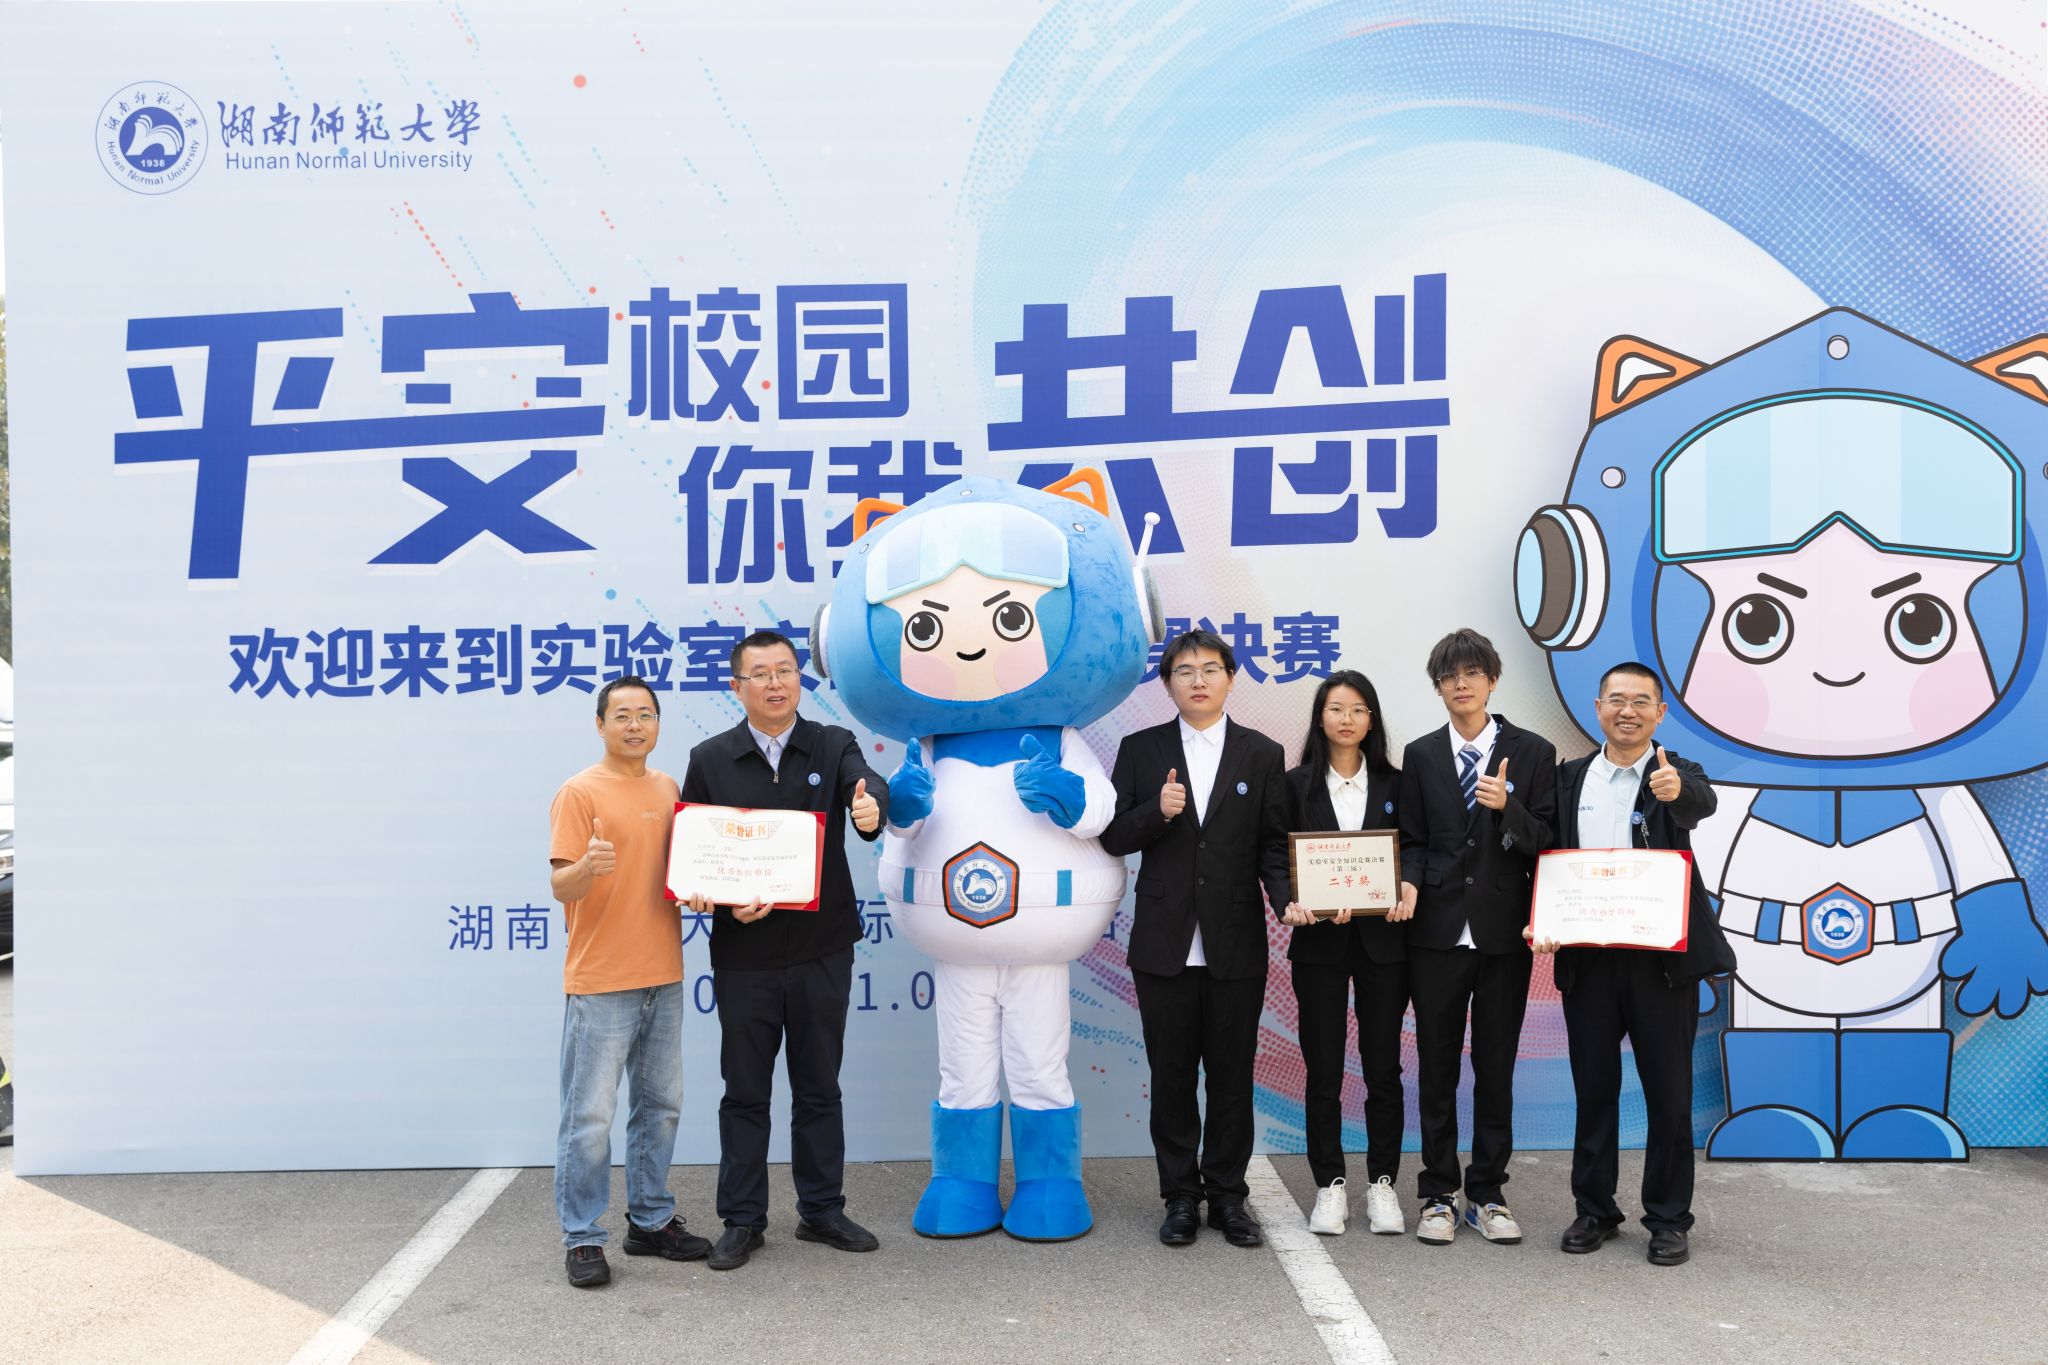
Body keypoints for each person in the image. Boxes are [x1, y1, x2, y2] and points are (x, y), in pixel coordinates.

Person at [677, 629, 888, 1271]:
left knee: (819, 1084)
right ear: (736, 686)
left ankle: (821, 1210)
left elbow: (865, 784)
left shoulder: (832, 743)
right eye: (761, 674)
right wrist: (718, 899)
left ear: (800, 679)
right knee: (744, 1090)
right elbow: (695, 854)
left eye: (786, 671)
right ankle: (742, 1219)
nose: (776, 683)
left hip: (822, 948)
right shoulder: (710, 758)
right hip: (745, 954)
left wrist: (871, 808)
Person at [1526, 661, 1736, 1267]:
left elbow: (1700, 803)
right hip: (1588, 959)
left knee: (1669, 1095)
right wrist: (1542, 918)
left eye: (1641, 701)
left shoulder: (1676, 771)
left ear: (1660, 713)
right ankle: (1594, 1210)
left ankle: (1668, 1220)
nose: (1628, 710)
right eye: (1616, 699)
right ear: (1598, 708)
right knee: (1594, 1090)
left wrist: (1677, 791)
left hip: (1659, 962)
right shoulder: (1568, 778)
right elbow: (1545, 853)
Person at [1102, 629, 1293, 1249]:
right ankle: (1180, 1196)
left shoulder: (1261, 753)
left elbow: (1273, 844)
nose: (1198, 680)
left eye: (1211, 669)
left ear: (1231, 678)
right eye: (1184, 671)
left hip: (1236, 939)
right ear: (1168, 684)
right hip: (1164, 942)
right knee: (1173, 1076)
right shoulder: (1141, 749)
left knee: (1232, 1075)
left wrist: (1287, 899)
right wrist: (1156, 812)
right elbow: (1113, 836)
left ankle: (1229, 1197)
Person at [548, 674, 712, 1288]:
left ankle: (650, 1220)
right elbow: (559, 884)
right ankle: (583, 1237)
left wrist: (702, 892)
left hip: (663, 976)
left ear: (658, 724)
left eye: (645, 714)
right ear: (600, 725)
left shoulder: (668, 788)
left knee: (660, 1108)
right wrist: (587, 867)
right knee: (589, 1117)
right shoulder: (578, 792)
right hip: (601, 980)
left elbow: (682, 873)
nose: (635, 725)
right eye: (622, 715)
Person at [1395, 627, 1556, 1246]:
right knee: (1436, 1067)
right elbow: (1413, 839)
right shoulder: (1420, 754)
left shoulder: (1533, 752)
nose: (1460, 684)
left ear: (1492, 680)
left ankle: (1488, 1193)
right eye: (1449, 676)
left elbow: (1547, 841)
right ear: (1438, 687)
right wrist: (1409, 884)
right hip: (1434, 933)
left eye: (1471, 673)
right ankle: (1438, 1192)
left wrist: (1506, 807)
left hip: (1503, 934)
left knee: (1495, 1066)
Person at [1277, 669, 1408, 1237]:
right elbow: (1273, 853)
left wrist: (1407, 885)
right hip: (1318, 945)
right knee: (1324, 1068)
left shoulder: (1398, 783)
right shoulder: (1293, 785)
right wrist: (1288, 901)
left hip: (1385, 945)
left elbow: (1417, 846)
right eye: (1336, 708)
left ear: (1371, 719)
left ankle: (1383, 1183)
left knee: (1383, 1069)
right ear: (1320, 717)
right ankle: (1329, 1185)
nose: (1347, 718)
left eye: (1357, 709)